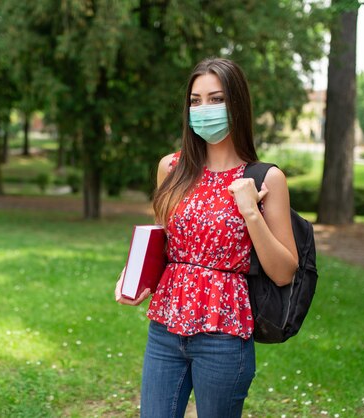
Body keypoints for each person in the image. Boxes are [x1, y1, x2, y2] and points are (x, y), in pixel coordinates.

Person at [115, 57, 298, 418]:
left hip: (224, 333)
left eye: (216, 99)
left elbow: (283, 272)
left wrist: (250, 211)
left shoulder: (266, 179)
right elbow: (162, 239)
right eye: (195, 101)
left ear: (237, 106)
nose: (204, 109)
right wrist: (133, 274)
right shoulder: (171, 168)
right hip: (165, 326)